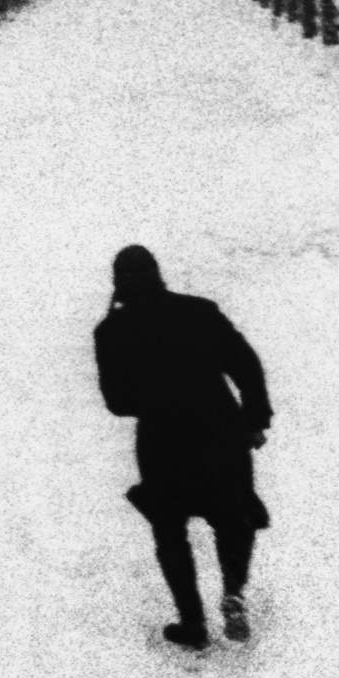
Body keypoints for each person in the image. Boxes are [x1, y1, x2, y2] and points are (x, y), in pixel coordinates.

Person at [92, 245, 272, 651]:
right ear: (158, 273)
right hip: (220, 431)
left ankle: (193, 624)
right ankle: (233, 592)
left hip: (163, 441)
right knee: (233, 515)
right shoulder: (199, 312)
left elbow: (118, 403)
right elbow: (246, 364)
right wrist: (255, 419)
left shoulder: (111, 331)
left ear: (118, 282)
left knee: (170, 529)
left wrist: (156, 396)